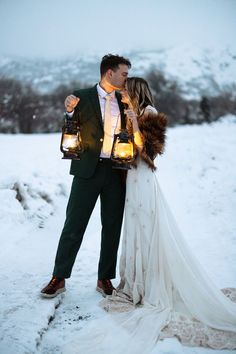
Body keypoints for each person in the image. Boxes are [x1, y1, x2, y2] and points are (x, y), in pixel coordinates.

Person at [95, 77, 236, 351]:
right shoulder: (130, 112)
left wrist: (134, 121)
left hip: (144, 179)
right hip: (132, 179)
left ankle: (151, 284)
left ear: (136, 92)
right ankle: (136, 280)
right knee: (135, 227)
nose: (123, 94)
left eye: (127, 91)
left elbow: (147, 150)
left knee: (147, 227)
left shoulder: (148, 114)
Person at [41, 54, 131, 298]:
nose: (127, 78)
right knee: (74, 224)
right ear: (109, 72)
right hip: (86, 171)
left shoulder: (126, 100)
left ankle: (105, 279)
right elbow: (70, 126)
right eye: (124, 73)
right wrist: (69, 112)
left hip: (116, 172)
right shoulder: (80, 96)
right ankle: (58, 277)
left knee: (112, 226)